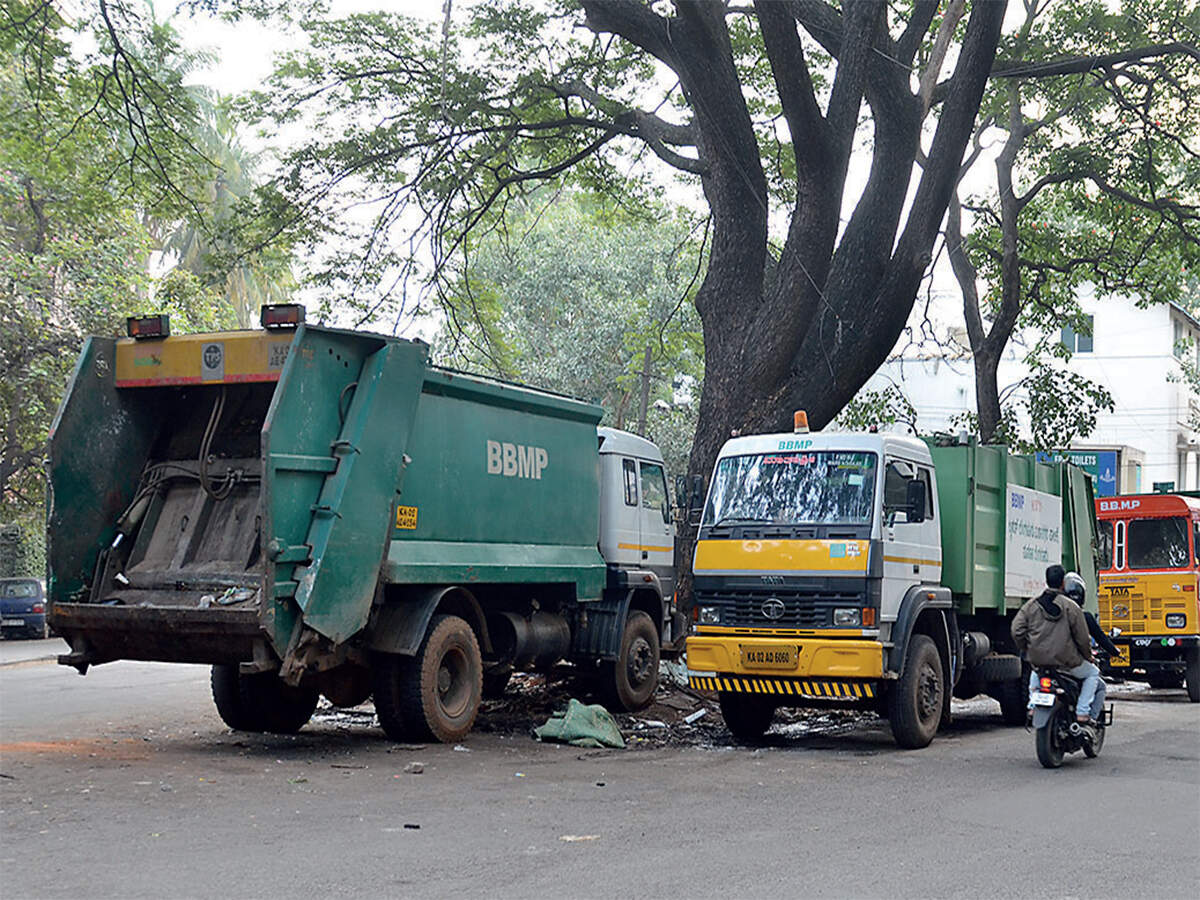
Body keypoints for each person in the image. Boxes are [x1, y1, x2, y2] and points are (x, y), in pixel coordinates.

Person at [1012, 564, 1104, 724]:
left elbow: (1016, 630)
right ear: (1063, 583)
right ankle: (1082, 712)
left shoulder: (1031, 606)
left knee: (1036, 670)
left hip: (1039, 660)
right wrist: (1088, 657)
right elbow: (1082, 638)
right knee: (1092, 673)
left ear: (1046, 581)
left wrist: (1027, 648)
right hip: (1067, 662)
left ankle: (1033, 704)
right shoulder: (1071, 607)